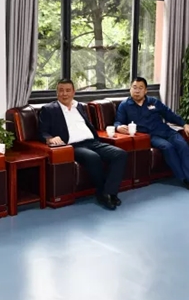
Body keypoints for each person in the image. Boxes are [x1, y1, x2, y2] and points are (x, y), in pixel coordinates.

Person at [38, 79, 128, 210]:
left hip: (93, 142)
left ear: (73, 92)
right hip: (73, 146)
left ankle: (108, 192)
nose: (64, 94)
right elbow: (42, 132)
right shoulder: (49, 109)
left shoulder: (79, 106)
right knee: (92, 157)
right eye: (61, 90)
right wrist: (50, 139)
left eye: (68, 90)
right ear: (57, 92)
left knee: (120, 154)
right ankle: (105, 194)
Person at [114, 77, 189, 191]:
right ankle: (187, 179)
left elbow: (169, 114)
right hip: (150, 136)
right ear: (130, 89)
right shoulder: (124, 105)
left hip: (165, 131)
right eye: (134, 87)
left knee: (182, 144)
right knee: (167, 147)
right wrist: (118, 127)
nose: (137, 91)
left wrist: (184, 124)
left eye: (140, 88)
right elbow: (118, 122)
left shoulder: (153, 101)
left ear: (146, 91)